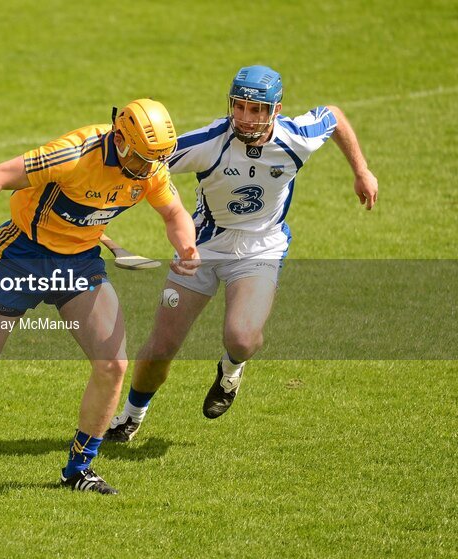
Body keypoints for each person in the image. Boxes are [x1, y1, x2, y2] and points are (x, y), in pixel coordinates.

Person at [0, 99, 201, 494]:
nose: (150, 170)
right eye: (143, 159)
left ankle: (78, 469)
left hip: (80, 264)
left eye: (157, 161)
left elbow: (174, 213)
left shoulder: (150, 167)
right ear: (120, 139)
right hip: (21, 256)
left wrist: (187, 249)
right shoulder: (73, 154)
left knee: (113, 364)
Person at [105, 65, 378, 442]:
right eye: (239, 106)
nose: (246, 118)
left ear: (275, 111)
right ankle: (131, 416)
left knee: (242, 339)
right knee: (161, 347)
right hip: (201, 248)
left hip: (261, 247)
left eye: (257, 110)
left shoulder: (296, 139)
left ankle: (230, 373)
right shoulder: (209, 142)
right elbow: (144, 164)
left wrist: (361, 171)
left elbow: (334, 116)